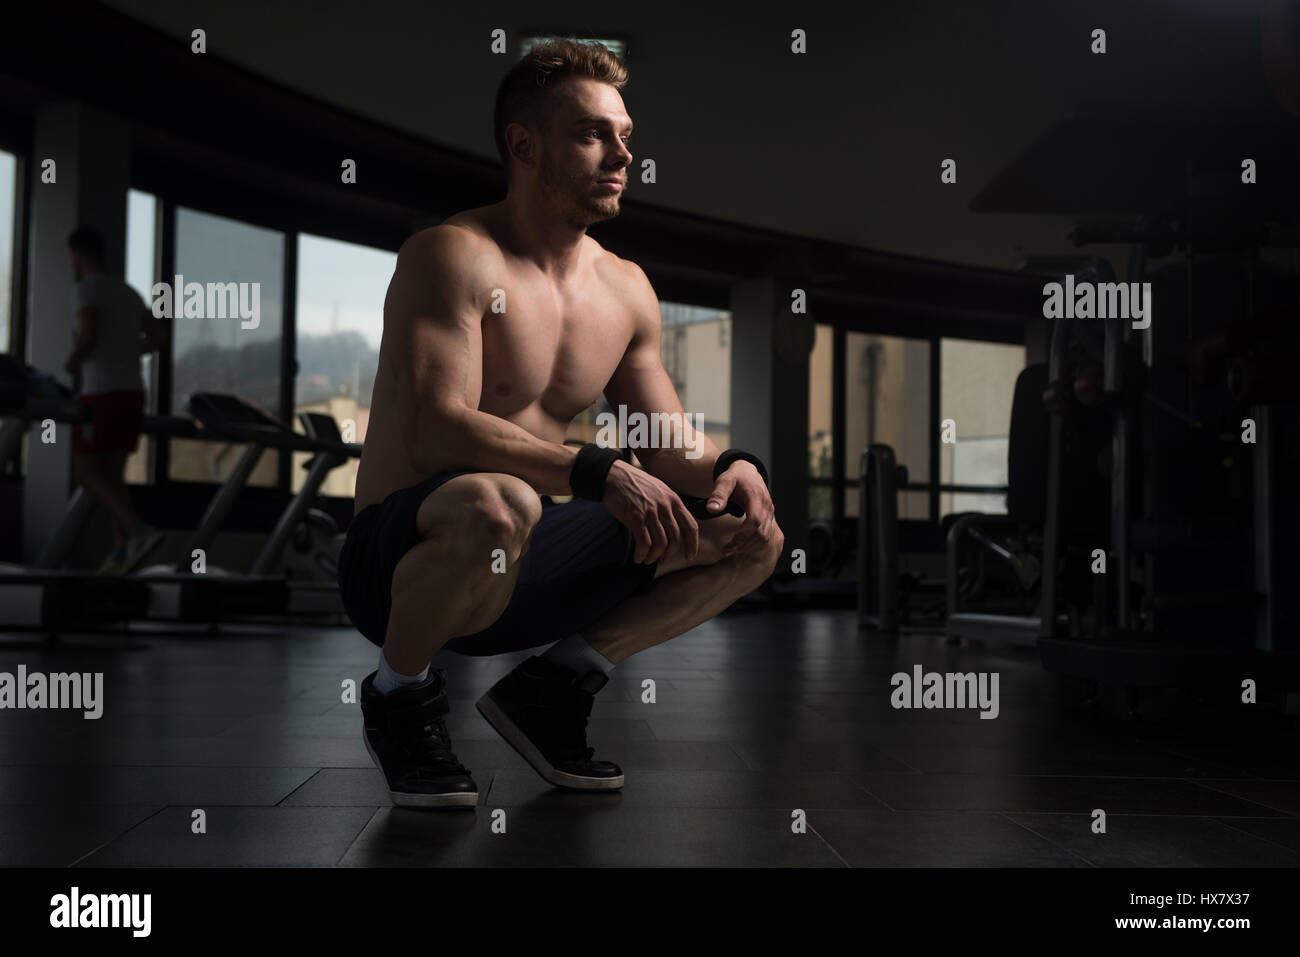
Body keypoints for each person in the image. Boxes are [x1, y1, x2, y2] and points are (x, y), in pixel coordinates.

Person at [339, 38, 784, 809]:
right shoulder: (451, 254)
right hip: (403, 562)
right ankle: (397, 693)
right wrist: (597, 469)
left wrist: (731, 467)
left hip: (524, 563)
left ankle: (552, 687)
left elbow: (664, 439)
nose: (622, 154)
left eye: (625, 136)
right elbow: (439, 432)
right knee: (496, 500)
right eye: (592, 135)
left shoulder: (624, 288)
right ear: (524, 145)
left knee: (754, 534)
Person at [64, 226, 167, 573]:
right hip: (132, 393)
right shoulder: (127, 292)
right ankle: (122, 550)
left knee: (86, 472)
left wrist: (70, 362)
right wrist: (126, 350)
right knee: (112, 477)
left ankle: (138, 530)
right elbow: (157, 338)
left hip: (101, 394)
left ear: (77, 254)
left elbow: (89, 333)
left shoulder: (86, 289)